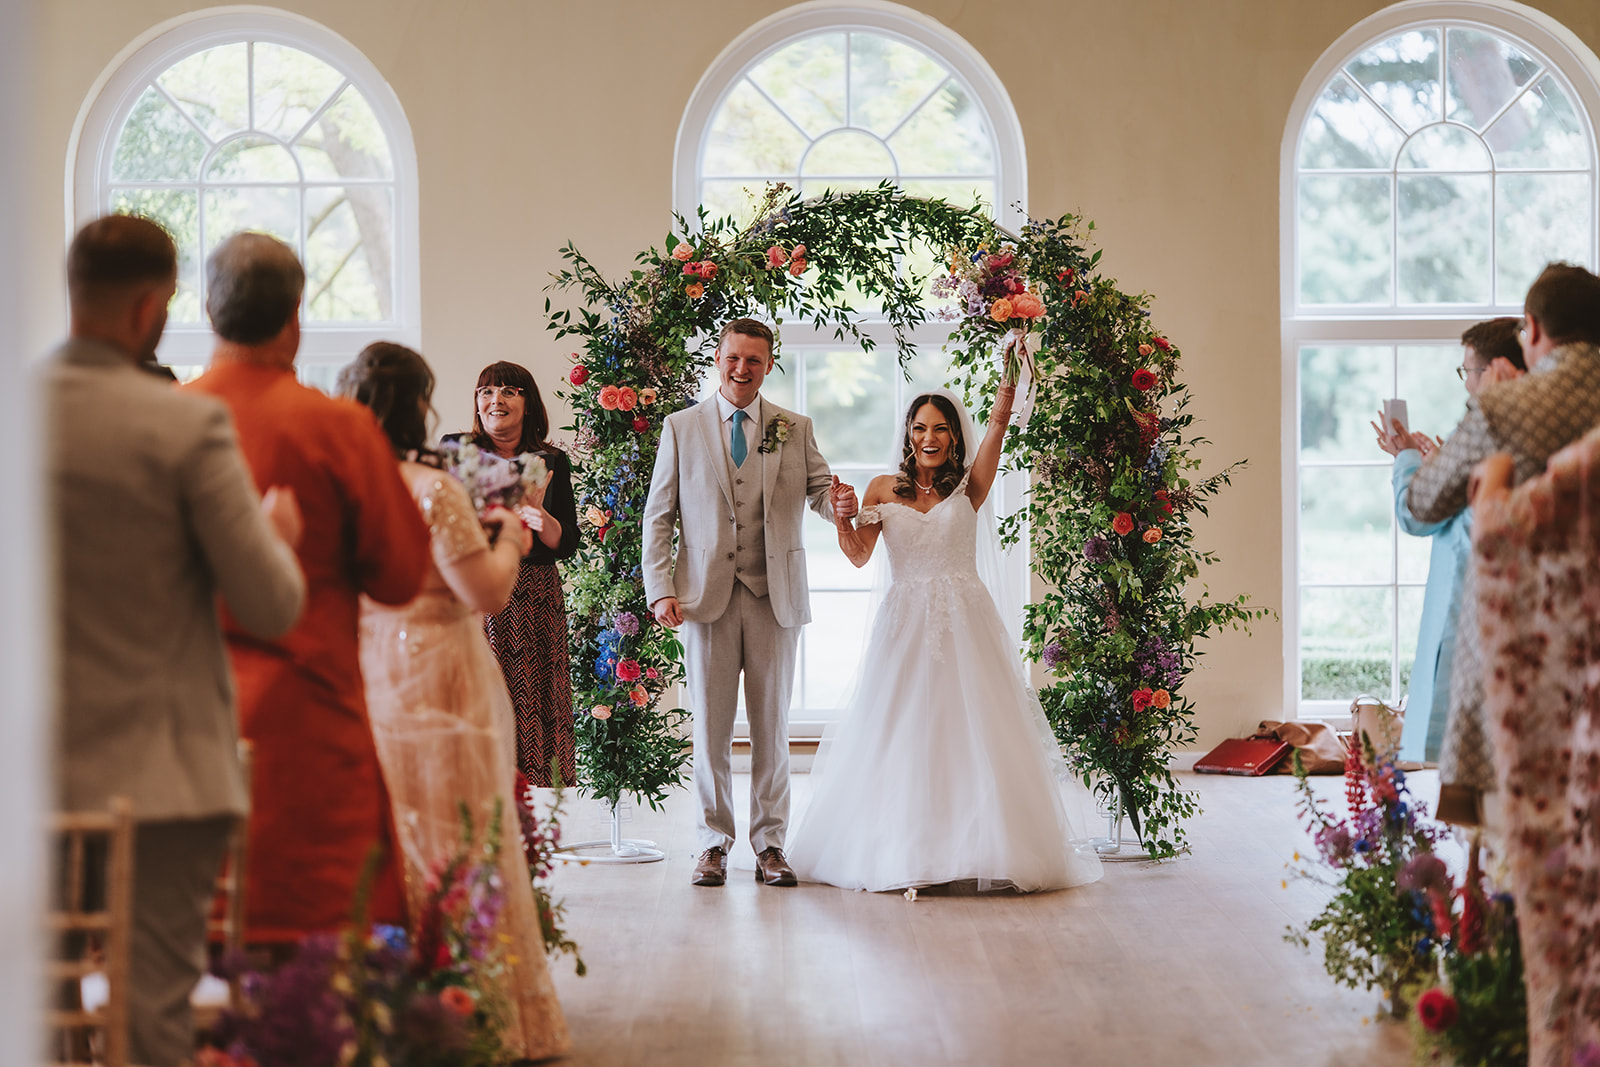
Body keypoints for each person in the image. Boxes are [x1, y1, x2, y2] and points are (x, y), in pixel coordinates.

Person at [49, 215, 305, 1064]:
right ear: (154, 307)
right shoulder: (182, 428)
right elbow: (269, 604)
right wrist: (277, 536)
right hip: (163, 776)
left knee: (35, 999)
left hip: (28, 777)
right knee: (151, 1001)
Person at [186, 232, 431, 942]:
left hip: (187, 716)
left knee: (193, 929)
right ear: (297, 313)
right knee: (313, 942)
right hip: (308, 714)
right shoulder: (338, 427)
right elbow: (400, 576)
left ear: (208, 310)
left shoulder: (175, 418)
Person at [340, 343, 571, 1060]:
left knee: (390, 822)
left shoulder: (346, 484)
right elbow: (488, 589)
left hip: (374, 663)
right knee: (467, 827)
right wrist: (503, 535)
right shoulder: (434, 488)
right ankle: (476, 1001)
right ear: (423, 404)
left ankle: (380, 999)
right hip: (443, 662)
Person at [785, 387, 1104, 892]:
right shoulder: (883, 489)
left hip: (966, 622)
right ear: (907, 435)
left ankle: (981, 849)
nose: (928, 437)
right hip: (906, 623)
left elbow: (998, 425)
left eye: (939, 428)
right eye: (919, 428)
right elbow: (858, 555)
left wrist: (1009, 378)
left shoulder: (969, 487)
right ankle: (904, 849)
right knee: (905, 729)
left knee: (975, 731)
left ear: (954, 436)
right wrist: (844, 516)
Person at [642, 318, 844, 888]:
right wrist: (660, 588)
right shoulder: (681, 427)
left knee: (772, 728)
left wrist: (842, 504)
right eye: (734, 357)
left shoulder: (793, 427)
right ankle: (712, 842)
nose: (742, 369)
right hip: (703, 598)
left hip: (773, 595)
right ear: (718, 357)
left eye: (754, 360)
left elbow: (821, 492)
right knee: (708, 730)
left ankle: (770, 844)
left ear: (768, 364)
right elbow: (659, 517)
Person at [1408, 263, 1600, 826]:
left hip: (1524, 654)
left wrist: (1480, 413)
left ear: (1533, 328)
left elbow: (1423, 501)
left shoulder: (1506, 407)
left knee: (1516, 852)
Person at [1372, 318, 1523, 765]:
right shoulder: (1536, 421)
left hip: (1469, 588)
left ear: (1492, 369)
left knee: (1466, 750)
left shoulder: (1483, 423)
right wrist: (1438, 464)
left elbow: (1414, 514)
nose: (1467, 385)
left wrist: (1406, 461)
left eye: (1468, 372)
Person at [444, 362, 580, 787]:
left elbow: (568, 542)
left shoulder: (551, 459)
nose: (495, 401)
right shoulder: (458, 450)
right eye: (486, 392)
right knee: (480, 693)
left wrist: (542, 517)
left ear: (528, 402)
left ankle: (538, 795)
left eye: (508, 391)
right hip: (476, 588)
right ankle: (479, 789)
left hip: (535, 595)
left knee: (534, 698)